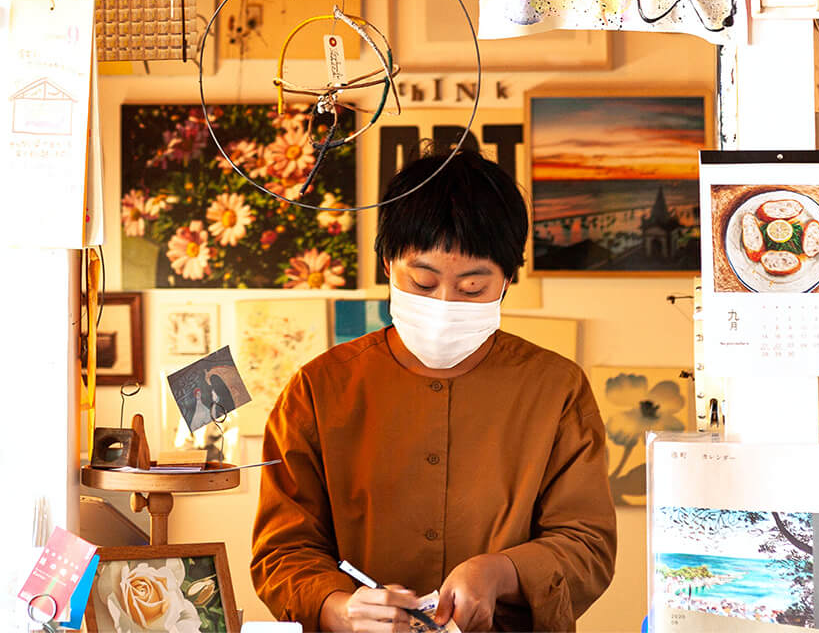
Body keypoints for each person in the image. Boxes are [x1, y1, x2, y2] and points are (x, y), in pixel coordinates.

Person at [251, 147, 616, 632]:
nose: (445, 305)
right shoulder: (318, 389)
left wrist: (500, 572)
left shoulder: (556, 388)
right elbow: (282, 549)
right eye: (422, 283)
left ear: (508, 278)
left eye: (472, 289)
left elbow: (587, 544)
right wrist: (338, 607)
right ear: (387, 264)